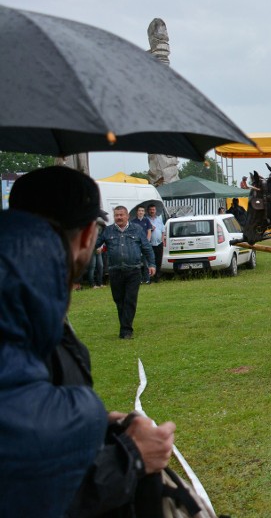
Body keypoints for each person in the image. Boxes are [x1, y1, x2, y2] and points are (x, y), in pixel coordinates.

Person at [2, 166, 175, 516]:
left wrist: (104, 423)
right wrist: (133, 458)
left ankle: (127, 326)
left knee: (127, 305)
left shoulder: (26, 301)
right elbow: (29, 485)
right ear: (86, 236)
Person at [96, 206, 156, 339]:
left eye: (121, 215)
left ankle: (126, 330)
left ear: (127, 216)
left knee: (130, 300)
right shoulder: (108, 231)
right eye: (116, 215)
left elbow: (147, 248)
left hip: (133, 270)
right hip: (115, 271)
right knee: (119, 301)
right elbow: (95, 244)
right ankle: (125, 327)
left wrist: (151, 264)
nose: (119, 217)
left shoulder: (137, 229)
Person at [131, 206, 154, 284]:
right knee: (137, 263)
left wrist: (146, 242)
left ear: (144, 212)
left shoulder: (146, 220)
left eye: (142, 211)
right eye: (139, 211)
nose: (141, 212)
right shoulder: (133, 222)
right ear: (137, 212)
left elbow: (149, 232)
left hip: (145, 245)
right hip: (136, 245)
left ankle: (147, 279)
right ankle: (139, 279)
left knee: (146, 263)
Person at [147, 203, 165, 282]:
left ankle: (157, 277)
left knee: (158, 260)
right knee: (151, 261)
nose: (152, 211)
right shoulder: (146, 219)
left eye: (153, 210)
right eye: (150, 210)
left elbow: (163, 230)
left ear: (155, 210)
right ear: (148, 211)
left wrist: (163, 240)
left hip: (159, 243)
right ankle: (150, 277)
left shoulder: (159, 218)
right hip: (150, 244)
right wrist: (150, 228)